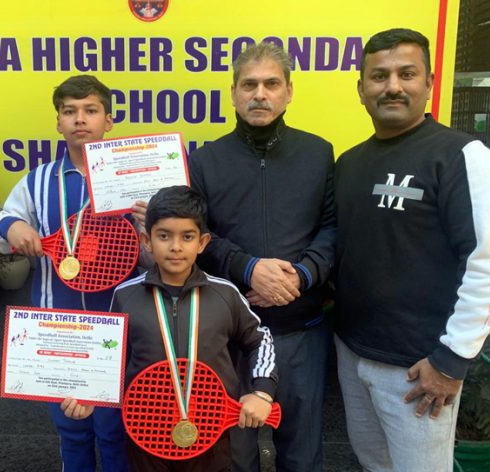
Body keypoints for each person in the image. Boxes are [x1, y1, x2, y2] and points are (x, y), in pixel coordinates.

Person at [334, 28, 490, 471]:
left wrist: (452, 361)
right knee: (373, 465)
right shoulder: (350, 163)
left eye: (406, 73)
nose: (392, 86)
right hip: (353, 354)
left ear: (429, 83)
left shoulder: (461, 156)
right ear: (361, 89)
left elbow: (487, 262)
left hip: (419, 371)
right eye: (379, 76)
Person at [187, 42, 335, 471]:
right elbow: (200, 237)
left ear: (289, 91)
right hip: (232, 340)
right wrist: (248, 268)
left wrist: (301, 276)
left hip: (301, 332)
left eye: (271, 84)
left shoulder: (319, 153)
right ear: (232, 93)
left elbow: (332, 228)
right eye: (249, 84)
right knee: (234, 458)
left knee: (302, 457)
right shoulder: (205, 160)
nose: (260, 94)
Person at [62, 185, 278, 471]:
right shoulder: (125, 296)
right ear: (147, 241)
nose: (176, 247)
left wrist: (262, 392)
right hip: (146, 435)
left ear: (202, 243)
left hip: (215, 435)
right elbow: (109, 361)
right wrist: (90, 395)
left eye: (187, 237)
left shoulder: (225, 294)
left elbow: (260, 340)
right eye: (164, 236)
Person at [0, 75, 133, 472]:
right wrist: (12, 229)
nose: (79, 119)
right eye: (69, 111)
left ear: (109, 120)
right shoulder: (36, 181)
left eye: (90, 110)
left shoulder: (130, 178)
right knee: (70, 428)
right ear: (58, 122)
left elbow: (164, 241)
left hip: (118, 327)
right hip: (58, 328)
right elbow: (1, 227)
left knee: (116, 428)